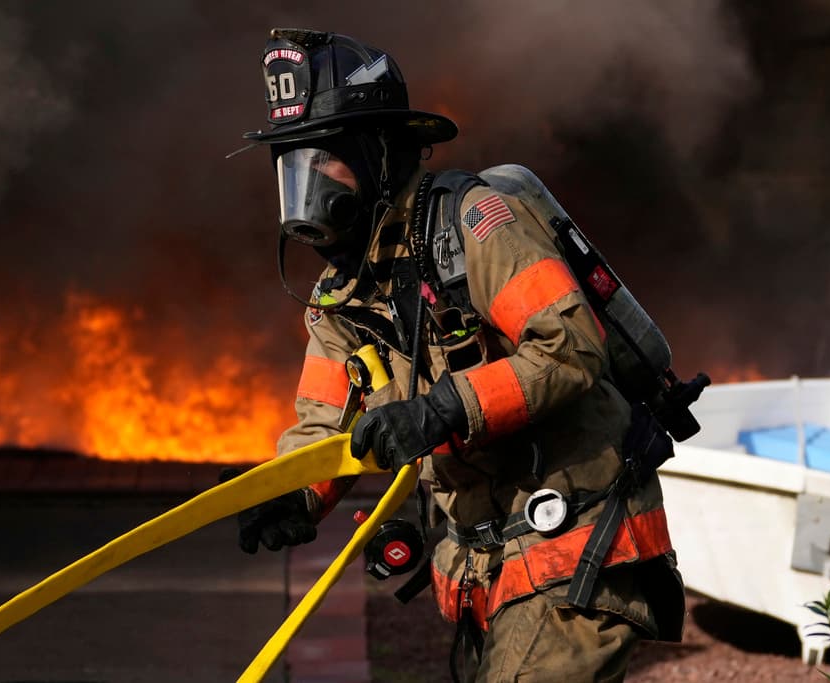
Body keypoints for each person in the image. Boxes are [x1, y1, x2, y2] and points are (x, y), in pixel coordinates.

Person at [234, 28, 686, 682]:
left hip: (579, 537)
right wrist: (288, 494)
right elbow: (321, 424)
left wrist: (443, 409)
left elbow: (571, 347)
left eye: (321, 158)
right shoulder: (339, 298)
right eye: (290, 164)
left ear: (378, 154)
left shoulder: (476, 224)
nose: (304, 187)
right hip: (489, 561)